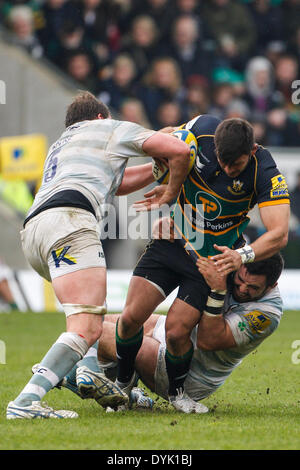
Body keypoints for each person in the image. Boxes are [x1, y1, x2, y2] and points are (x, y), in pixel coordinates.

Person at [6, 91, 191, 420]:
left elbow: (116, 184)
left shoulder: (62, 144)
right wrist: (170, 190)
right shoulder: (109, 128)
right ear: (102, 117)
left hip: (34, 233)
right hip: (70, 222)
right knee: (87, 327)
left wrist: (154, 170)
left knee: (82, 321)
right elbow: (179, 149)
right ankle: (26, 401)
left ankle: (83, 369)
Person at [114, 114, 290, 414]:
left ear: (252, 151)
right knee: (130, 318)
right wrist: (166, 178)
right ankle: (122, 387)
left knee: (176, 331)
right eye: (222, 161)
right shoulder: (200, 129)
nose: (226, 169)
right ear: (216, 147)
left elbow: (280, 233)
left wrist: (241, 255)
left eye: (235, 165)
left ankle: (178, 393)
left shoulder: (265, 169)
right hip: (173, 240)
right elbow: (164, 137)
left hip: (209, 258)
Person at [42, 253, 284, 414]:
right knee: (102, 321)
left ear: (271, 285)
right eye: (240, 280)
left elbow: (209, 340)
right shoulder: (233, 262)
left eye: (252, 288)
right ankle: (121, 390)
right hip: (169, 332)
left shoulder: (267, 314)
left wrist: (219, 290)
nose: (242, 289)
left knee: (100, 332)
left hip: (192, 374)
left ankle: (68, 376)